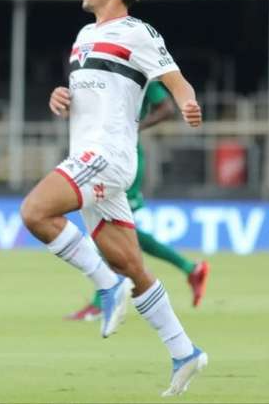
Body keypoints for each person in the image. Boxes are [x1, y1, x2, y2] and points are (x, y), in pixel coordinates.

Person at [20, 0, 207, 397]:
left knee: (34, 213)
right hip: (88, 155)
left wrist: (187, 102)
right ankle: (185, 353)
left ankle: (106, 286)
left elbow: (176, 80)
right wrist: (61, 98)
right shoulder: (84, 35)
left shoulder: (136, 32)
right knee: (134, 267)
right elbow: (96, 98)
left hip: (108, 157)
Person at [66, 81, 210, 322]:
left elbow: (165, 107)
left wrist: (134, 128)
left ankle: (103, 300)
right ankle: (190, 268)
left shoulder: (137, 69)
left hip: (122, 158)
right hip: (100, 155)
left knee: (111, 227)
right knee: (112, 228)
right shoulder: (102, 69)